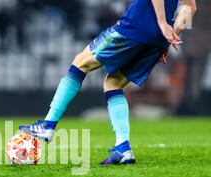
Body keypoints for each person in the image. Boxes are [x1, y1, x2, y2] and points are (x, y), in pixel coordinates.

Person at [20, 0, 197, 165]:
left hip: (135, 27)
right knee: (113, 84)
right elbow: (190, 7)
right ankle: (122, 148)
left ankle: (47, 125)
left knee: (80, 63)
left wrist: (161, 23)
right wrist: (169, 37)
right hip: (158, 40)